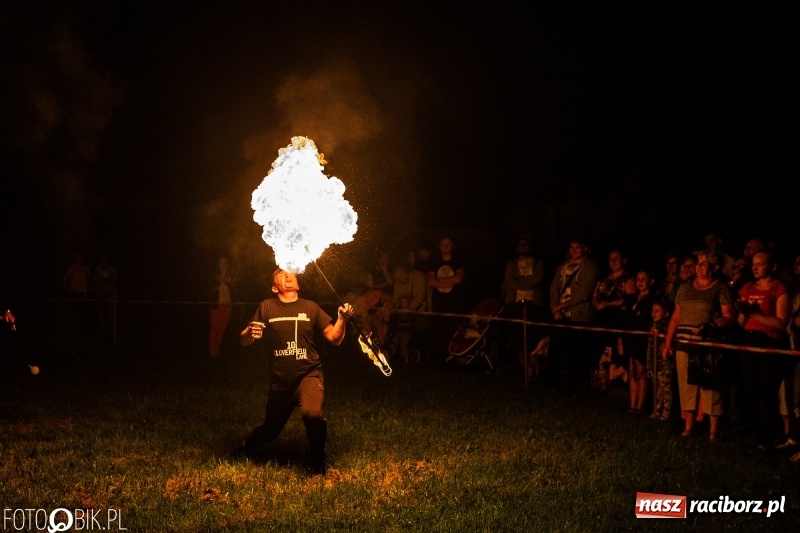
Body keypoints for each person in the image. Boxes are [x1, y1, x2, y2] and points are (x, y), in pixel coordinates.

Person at [235, 268, 354, 475]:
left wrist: (342, 318)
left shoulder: (311, 307)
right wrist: (250, 332)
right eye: (281, 275)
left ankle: (317, 459)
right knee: (270, 430)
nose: (288, 275)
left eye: (290, 273)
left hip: (308, 373)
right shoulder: (267, 307)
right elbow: (244, 340)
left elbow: (335, 338)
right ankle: (245, 447)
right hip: (281, 380)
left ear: (298, 284)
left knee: (313, 414)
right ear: (274, 287)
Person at [661, 250, 736, 442]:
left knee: (710, 387)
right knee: (686, 386)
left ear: (714, 267)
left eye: (703, 264)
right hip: (684, 343)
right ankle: (689, 426)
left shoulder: (720, 288)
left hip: (707, 344)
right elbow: (676, 316)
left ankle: (713, 431)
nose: (698, 267)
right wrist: (668, 342)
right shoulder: (685, 288)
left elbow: (729, 316)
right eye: (698, 263)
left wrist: (710, 325)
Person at [737, 249, 793, 451]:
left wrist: (755, 314)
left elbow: (780, 323)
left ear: (773, 267)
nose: (755, 266)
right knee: (751, 391)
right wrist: (744, 312)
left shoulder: (779, 288)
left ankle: (767, 440)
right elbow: (741, 322)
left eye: (760, 263)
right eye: (754, 263)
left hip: (769, 344)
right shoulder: (747, 287)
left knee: (766, 392)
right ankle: (756, 438)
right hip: (749, 340)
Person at [548, 238, 598, 391]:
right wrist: (555, 308)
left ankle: (576, 385)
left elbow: (583, 293)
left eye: (578, 247)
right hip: (561, 314)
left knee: (577, 351)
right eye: (571, 247)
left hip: (579, 314)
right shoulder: (563, 267)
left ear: (585, 249)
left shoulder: (590, 267)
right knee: (556, 348)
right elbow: (554, 287)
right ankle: (553, 383)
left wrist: (561, 306)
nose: (574, 250)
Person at [500, 234, 545, 371]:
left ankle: (535, 365)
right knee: (517, 335)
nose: (523, 247)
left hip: (533, 303)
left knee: (533, 334)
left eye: (525, 244)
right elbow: (509, 282)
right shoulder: (511, 264)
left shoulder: (538, 263)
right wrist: (528, 283)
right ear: (516, 247)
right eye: (520, 245)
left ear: (530, 247)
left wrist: (519, 281)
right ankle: (524, 366)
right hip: (514, 303)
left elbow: (537, 280)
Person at [620, 269, 658, 415]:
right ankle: (632, 404)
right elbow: (623, 317)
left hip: (642, 339)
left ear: (651, 281)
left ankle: (640, 406)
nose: (640, 282)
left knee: (640, 371)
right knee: (631, 371)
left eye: (644, 279)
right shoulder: (631, 298)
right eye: (638, 279)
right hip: (629, 338)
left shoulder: (653, 300)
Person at [427, 236, 467, 362]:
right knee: (440, 332)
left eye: (448, 243)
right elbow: (430, 281)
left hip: (454, 303)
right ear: (439, 246)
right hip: (439, 303)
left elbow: (459, 278)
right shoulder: (434, 260)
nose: (445, 246)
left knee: (455, 331)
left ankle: (457, 357)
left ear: (452, 245)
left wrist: (439, 281)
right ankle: (443, 359)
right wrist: (450, 282)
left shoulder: (458, 260)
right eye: (442, 243)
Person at [647, 299, 674, 421]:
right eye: (653, 310)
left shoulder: (667, 328)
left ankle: (666, 413)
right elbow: (650, 349)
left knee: (665, 389)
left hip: (665, 364)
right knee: (657, 389)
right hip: (655, 363)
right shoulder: (653, 326)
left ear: (666, 313)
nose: (654, 313)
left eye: (658, 311)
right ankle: (657, 410)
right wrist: (650, 365)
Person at [209, 255, 236, 357]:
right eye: (221, 263)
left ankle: (217, 350)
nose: (223, 265)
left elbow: (233, 288)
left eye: (225, 263)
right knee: (214, 328)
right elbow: (212, 287)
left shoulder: (231, 276)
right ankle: (212, 350)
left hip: (227, 305)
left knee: (222, 328)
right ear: (218, 264)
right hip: (216, 305)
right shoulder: (214, 276)